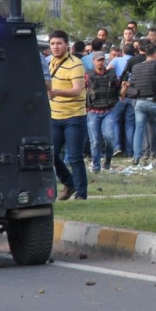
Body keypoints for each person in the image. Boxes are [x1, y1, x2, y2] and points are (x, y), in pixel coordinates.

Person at [48, 30, 88, 200]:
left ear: (67, 45)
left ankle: (81, 193)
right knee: (49, 154)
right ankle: (69, 182)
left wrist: (57, 92)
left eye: (59, 43)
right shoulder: (50, 62)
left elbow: (77, 90)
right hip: (55, 116)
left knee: (74, 157)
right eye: (52, 44)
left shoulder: (75, 63)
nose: (55, 47)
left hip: (74, 117)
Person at [131, 43, 156, 165]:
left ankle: (136, 156)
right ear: (155, 54)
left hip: (139, 102)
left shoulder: (136, 67)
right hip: (154, 101)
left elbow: (133, 83)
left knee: (139, 129)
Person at [85, 52, 120, 172]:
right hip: (93, 111)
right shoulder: (88, 75)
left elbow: (120, 91)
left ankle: (108, 161)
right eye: (98, 60)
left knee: (109, 137)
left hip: (108, 110)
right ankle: (96, 166)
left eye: (102, 60)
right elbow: (82, 91)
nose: (100, 62)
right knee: (95, 141)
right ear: (93, 62)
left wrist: (125, 87)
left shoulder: (112, 75)